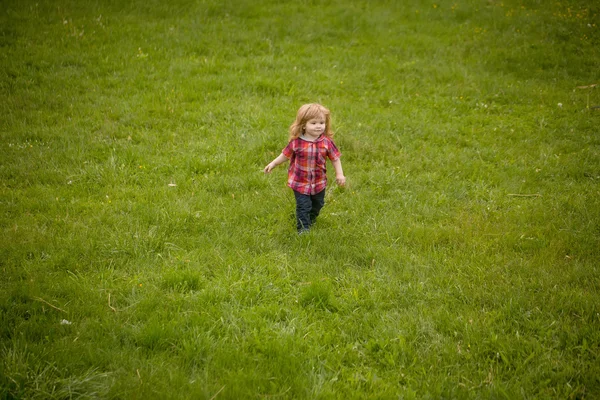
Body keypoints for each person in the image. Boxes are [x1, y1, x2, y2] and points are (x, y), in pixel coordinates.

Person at [264, 103, 346, 234]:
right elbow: (285, 155)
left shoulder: (326, 142)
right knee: (303, 206)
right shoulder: (296, 142)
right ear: (303, 125)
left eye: (321, 122)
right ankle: (303, 229)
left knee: (318, 204)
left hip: (319, 182)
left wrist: (339, 174)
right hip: (300, 182)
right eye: (313, 123)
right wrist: (273, 163)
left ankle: (311, 219)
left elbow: (335, 158)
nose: (318, 126)